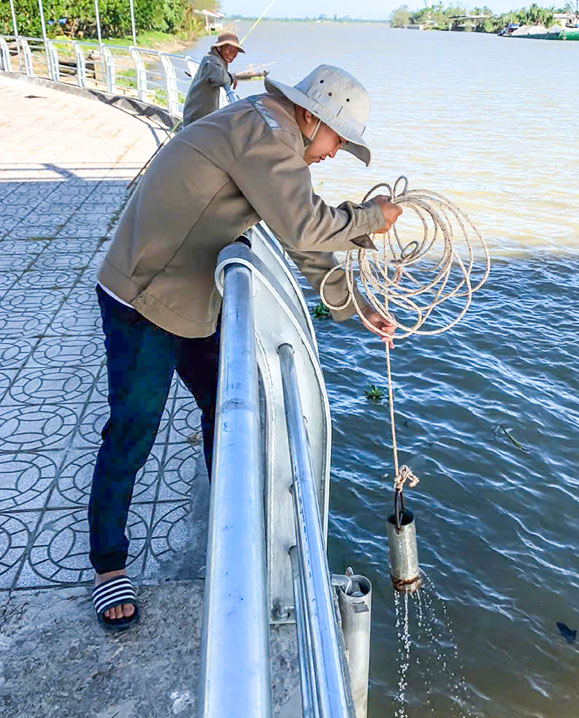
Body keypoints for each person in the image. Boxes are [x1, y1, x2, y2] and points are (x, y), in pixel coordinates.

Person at [90, 64, 403, 629]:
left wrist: (355, 306)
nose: (334, 153)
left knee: (227, 410)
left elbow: (299, 238)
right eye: (338, 139)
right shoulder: (266, 134)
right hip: (141, 297)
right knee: (134, 427)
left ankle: (232, 524)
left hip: (188, 295)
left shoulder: (273, 132)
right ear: (312, 116)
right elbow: (308, 228)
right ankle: (108, 566)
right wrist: (370, 218)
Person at [181, 31, 244, 126]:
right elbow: (220, 79)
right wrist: (231, 78)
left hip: (200, 115)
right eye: (229, 49)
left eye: (235, 51)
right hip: (196, 117)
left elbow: (220, 74)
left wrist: (229, 75)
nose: (233, 53)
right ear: (219, 47)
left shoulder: (215, 59)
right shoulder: (211, 60)